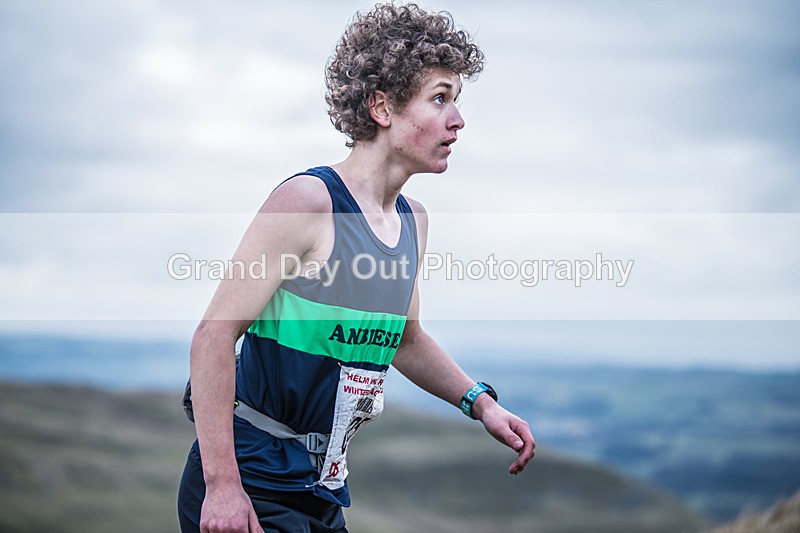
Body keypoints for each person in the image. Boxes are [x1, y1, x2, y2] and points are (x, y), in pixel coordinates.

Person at [177, 3, 535, 532]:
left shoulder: (414, 222)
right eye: (439, 99)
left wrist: (481, 404)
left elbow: (406, 340)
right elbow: (213, 337)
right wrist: (223, 487)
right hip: (252, 484)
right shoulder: (309, 202)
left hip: (322, 487)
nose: (458, 120)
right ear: (382, 107)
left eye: (456, 101)